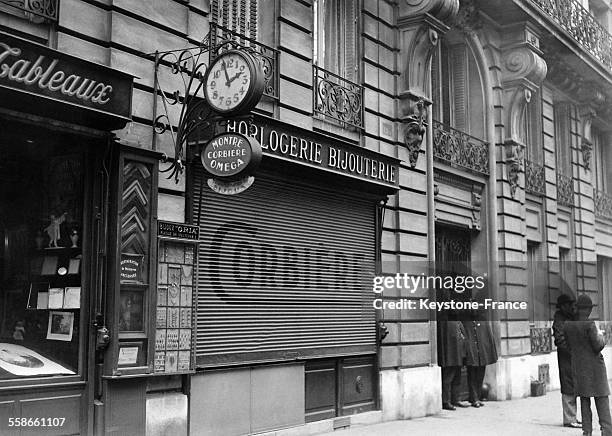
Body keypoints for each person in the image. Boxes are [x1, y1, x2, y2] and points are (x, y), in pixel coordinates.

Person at [564, 294, 612, 436]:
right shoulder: (590, 325)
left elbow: (568, 345)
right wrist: (601, 336)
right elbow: (597, 346)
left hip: (579, 368)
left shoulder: (568, 325)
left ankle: (587, 432)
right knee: (602, 401)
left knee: (585, 402)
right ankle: (607, 431)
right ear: (588, 310)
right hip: (596, 370)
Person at [462, 287, 498, 408]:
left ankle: (477, 396)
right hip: (472, 354)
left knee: (480, 374)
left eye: (475, 306)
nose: (474, 308)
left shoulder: (483, 320)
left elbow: (487, 338)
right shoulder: (466, 321)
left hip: (481, 354)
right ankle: (474, 398)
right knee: (472, 375)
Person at [553, 293, 581, 428]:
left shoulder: (571, 317)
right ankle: (569, 419)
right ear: (563, 306)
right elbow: (559, 340)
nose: (572, 307)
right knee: (568, 386)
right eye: (570, 305)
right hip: (566, 358)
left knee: (574, 386)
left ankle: (573, 417)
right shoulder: (559, 319)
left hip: (574, 357)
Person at [438, 288, 468, 411]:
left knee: (457, 378)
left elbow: (463, 338)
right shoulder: (446, 323)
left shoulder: (458, 322)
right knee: (448, 379)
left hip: (458, 355)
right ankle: (446, 401)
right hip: (450, 356)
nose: (458, 309)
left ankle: (456, 399)